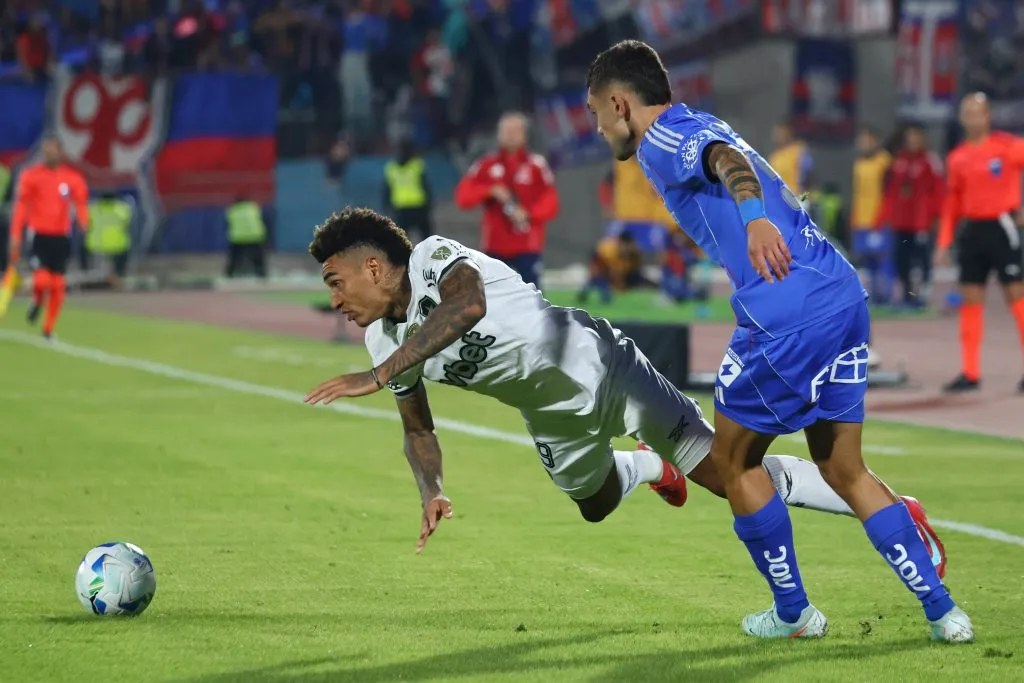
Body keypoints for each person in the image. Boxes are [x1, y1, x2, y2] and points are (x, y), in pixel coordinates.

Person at [300, 209, 947, 585]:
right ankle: (646, 465)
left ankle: (892, 508)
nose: (335, 300)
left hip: (597, 359)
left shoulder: (435, 257)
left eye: (336, 281)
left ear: (375, 268)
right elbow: (417, 427)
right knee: (596, 503)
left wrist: (383, 374)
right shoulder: (382, 340)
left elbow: (468, 305)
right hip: (551, 414)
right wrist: (430, 489)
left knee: (729, 474)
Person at [584, 40, 970, 643]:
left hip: (784, 311)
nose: (599, 127)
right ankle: (944, 610)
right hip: (842, 296)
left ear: (618, 101)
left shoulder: (663, 137)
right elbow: (724, 150)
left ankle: (793, 612)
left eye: (595, 113)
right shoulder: (697, 119)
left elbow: (723, 161)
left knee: (733, 461)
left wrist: (755, 217)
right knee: (843, 465)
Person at [936, 93, 1024, 394]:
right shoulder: (957, 157)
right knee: (971, 300)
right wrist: (944, 241)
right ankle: (970, 372)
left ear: (988, 116)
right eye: (967, 113)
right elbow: (952, 203)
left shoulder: (1008, 147)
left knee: (1017, 297)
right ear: (962, 118)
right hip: (972, 231)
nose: (973, 118)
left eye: (978, 113)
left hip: (1001, 227)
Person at [454, 112, 559, 290]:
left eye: (514, 130)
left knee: (532, 299)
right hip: (495, 246)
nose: (509, 135)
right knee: (491, 301)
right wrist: (489, 190)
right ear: (498, 134)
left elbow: (551, 202)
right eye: (505, 130)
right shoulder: (486, 164)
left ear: (524, 134)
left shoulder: (536, 165)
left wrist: (528, 213)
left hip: (527, 245)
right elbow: (463, 197)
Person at [9, 136, 89, 339]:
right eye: (46, 151)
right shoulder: (31, 176)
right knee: (42, 281)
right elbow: (21, 206)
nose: (50, 154)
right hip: (39, 235)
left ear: (60, 152)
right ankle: (36, 300)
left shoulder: (72, 178)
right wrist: (16, 234)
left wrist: (83, 220)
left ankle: (48, 329)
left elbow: (80, 202)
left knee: (58, 285)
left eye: (53, 150)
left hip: (61, 237)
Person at [878, 123, 943, 309]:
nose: (913, 140)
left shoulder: (930, 161)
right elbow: (890, 192)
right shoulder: (899, 161)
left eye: (917, 136)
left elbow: (939, 191)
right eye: (910, 136)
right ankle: (907, 295)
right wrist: (884, 217)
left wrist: (937, 217)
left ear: (923, 138)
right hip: (901, 223)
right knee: (901, 259)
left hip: (921, 223)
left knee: (921, 259)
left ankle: (922, 295)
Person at [850, 126, 893, 305]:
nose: (864, 144)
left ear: (876, 141)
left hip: (879, 218)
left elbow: (890, 192)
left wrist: (883, 216)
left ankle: (888, 295)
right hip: (861, 218)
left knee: (883, 257)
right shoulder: (858, 163)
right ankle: (874, 296)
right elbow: (857, 192)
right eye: (862, 141)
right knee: (867, 260)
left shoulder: (885, 161)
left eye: (868, 140)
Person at [382, 138, 433, 242]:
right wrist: (429, 203)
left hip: (401, 208)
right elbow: (425, 186)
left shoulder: (391, 168)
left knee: (402, 241)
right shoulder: (418, 165)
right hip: (418, 206)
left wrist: (386, 206)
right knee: (427, 240)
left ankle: (405, 258)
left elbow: (386, 189)